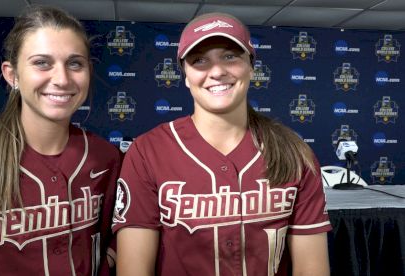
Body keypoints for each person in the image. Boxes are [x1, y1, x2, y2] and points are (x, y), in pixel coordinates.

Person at [113, 13, 331, 276]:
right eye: (200, 61)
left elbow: (312, 269)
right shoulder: (148, 152)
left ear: (251, 66)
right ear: (185, 75)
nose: (216, 72)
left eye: (230, 56)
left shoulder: (294, 151)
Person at [0, 5, 120, 276]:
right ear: (12, 75)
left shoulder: (105, 156)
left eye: (74, 63)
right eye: (42, 63)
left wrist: (109, 258)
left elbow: (125, 229)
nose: (62, 79)